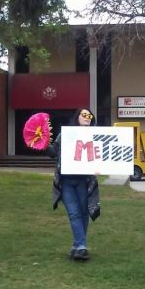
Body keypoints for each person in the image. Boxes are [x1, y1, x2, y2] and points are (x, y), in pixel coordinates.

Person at [47, 108, 101, 261]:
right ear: (77, 117)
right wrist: (44, 143)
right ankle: (82, 247)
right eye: (84, 115)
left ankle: (77, 246)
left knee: (84, 213)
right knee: (74, 213)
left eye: (89, 115)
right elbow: (54, 152)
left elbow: (102, 155)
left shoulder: (96, 136)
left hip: (84, 182)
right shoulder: (66, 134)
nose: (87, 117)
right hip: (66, 182)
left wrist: (100, 166)